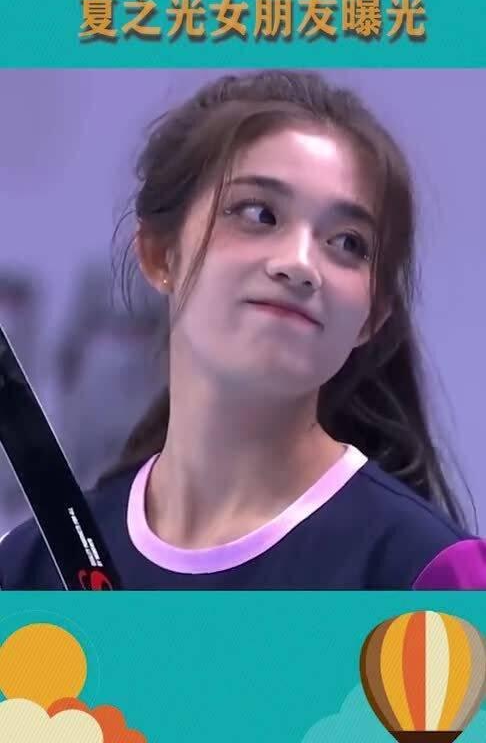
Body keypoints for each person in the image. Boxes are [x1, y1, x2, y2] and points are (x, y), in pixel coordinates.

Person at [1, 69, 485, 590]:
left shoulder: (426, 572)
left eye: (348, 243)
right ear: (160, 253)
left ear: (373, 315)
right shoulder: (30, 570)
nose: (300, 264)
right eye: (259, 214)